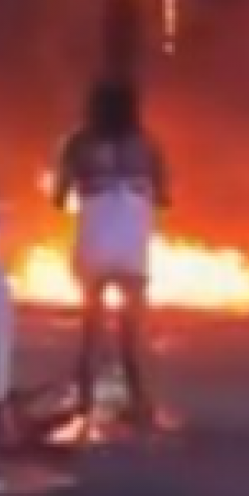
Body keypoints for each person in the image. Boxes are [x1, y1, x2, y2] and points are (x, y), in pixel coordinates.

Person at [53, 80, 171, 427]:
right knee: (133, 329)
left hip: (96, 239)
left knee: (92, 324)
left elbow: (59, 197)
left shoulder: (78, 144)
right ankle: (140, 400)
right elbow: (164, 195)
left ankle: (84, 400)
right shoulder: (147, 145)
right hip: (132, 243)